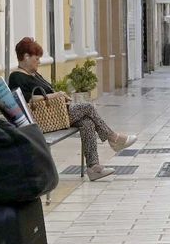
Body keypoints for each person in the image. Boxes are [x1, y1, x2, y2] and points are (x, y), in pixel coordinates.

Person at [8, 37, 136, 181]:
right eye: (36, 58)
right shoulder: (16, 77)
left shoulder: (34, 74)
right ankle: (113, 138)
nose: (39, 62)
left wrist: (62, 97)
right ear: (26, 57)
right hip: (43, 120)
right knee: (87, 107)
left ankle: (94, 168)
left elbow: (48, 92)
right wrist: (54, 96)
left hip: (56, 115)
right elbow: (24, 100)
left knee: (87, 122)